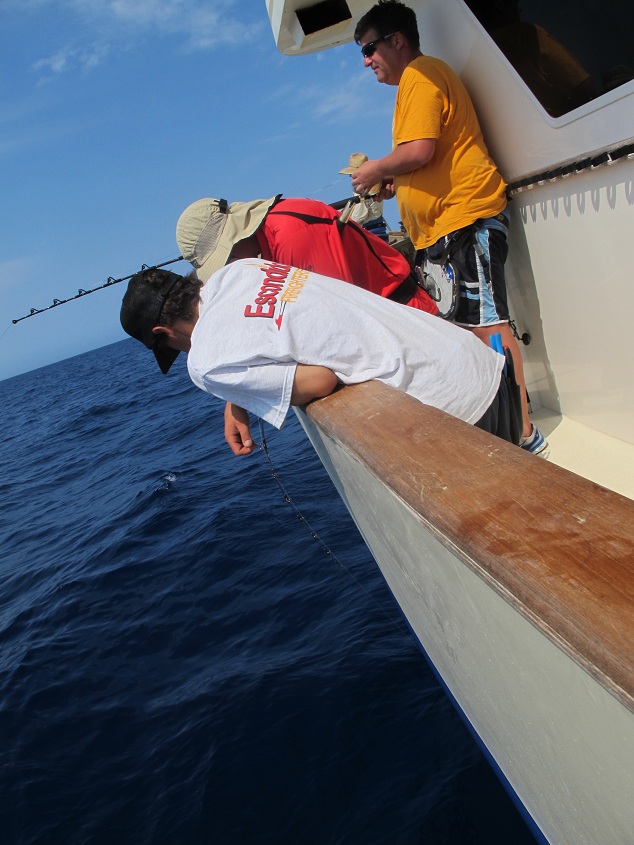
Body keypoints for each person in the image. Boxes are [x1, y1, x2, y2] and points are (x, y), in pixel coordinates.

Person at [349, 0, 547, 456]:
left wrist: (377, 168)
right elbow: (425, 160)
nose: (366, 61)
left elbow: (420, 150)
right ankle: (509, 425)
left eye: (369, 48)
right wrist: (392, 183)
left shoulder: (420, 76)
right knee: (471, 331)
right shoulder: (416, 84)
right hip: (446, 231)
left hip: (466, 220)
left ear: (397, 40)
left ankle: (523, 435)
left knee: (489, 329)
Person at [119, 261, 515, 447]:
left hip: (456, 413)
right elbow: (274, 325)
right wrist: (236, 398)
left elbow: (320, 381)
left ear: (163, 332)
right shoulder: (239, 272)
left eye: (169, 347)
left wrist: (232, 388)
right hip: (480, 364)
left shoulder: (204, 363)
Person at [175, 193, 438, 455]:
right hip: (390, 334)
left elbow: (335, 335)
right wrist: (238, 400)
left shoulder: (291, 238)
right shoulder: (273, 233)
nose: (230, 267)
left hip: (410, 333)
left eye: (225, 258)